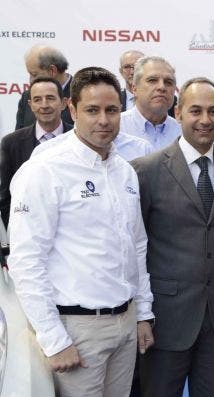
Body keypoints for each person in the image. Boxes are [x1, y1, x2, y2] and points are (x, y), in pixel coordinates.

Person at [8, 66, 155, 397]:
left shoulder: (124, 171)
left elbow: (137, 246)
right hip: (75, 330)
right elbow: (26, 261)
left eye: (111, 110)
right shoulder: (45, 170)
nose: (103, 120)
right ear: (72, 110)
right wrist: (54, 339)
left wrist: (143, 313)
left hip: (125, 323)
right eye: (92, 110)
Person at [132, 77, 214, 397]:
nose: (205, 120)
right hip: (165, 319)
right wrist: (142, 314)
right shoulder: (146, 170)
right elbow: (135, 248)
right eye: (195, 110)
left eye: (213, 111)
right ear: (178, 112)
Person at [0, 76, 73, 227]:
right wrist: (16, 234)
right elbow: (6, 198)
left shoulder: (79, 139)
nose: (44, 105)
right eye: (38, 99)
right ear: (30, 105)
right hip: (27, 231)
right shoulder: (11, 143)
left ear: (64, 103)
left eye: (50, 98)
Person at [120, 56, 181, 151]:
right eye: (152, 80)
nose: (162, 87)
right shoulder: (117, 128)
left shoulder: (183, 133)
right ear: (134, 89)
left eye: (168, 82)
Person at [16, 45, 74, 129]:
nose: (30, 80)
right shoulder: (27, 96)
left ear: (52, 71)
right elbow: (19, 137)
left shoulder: (81, 94)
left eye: (34, 75)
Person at [118, 50, 177, 117]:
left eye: (137, 67)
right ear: (121, 71)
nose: (132, 72)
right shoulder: (114, 99)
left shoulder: (172, 101)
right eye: (127, 67)